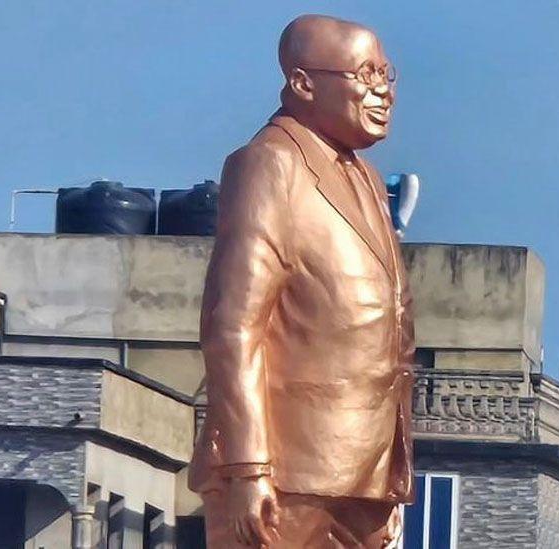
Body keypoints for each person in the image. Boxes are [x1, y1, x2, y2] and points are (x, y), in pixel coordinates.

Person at [188, 14, 415, 548]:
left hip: (366, 473)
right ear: (304, 83)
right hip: (288, 475)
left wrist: (391, 476)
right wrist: (248, 468)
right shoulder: (269, 165)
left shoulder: (363, 176)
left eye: (387, 72)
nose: (382, 89)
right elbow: (233, 327)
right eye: (364, 73)